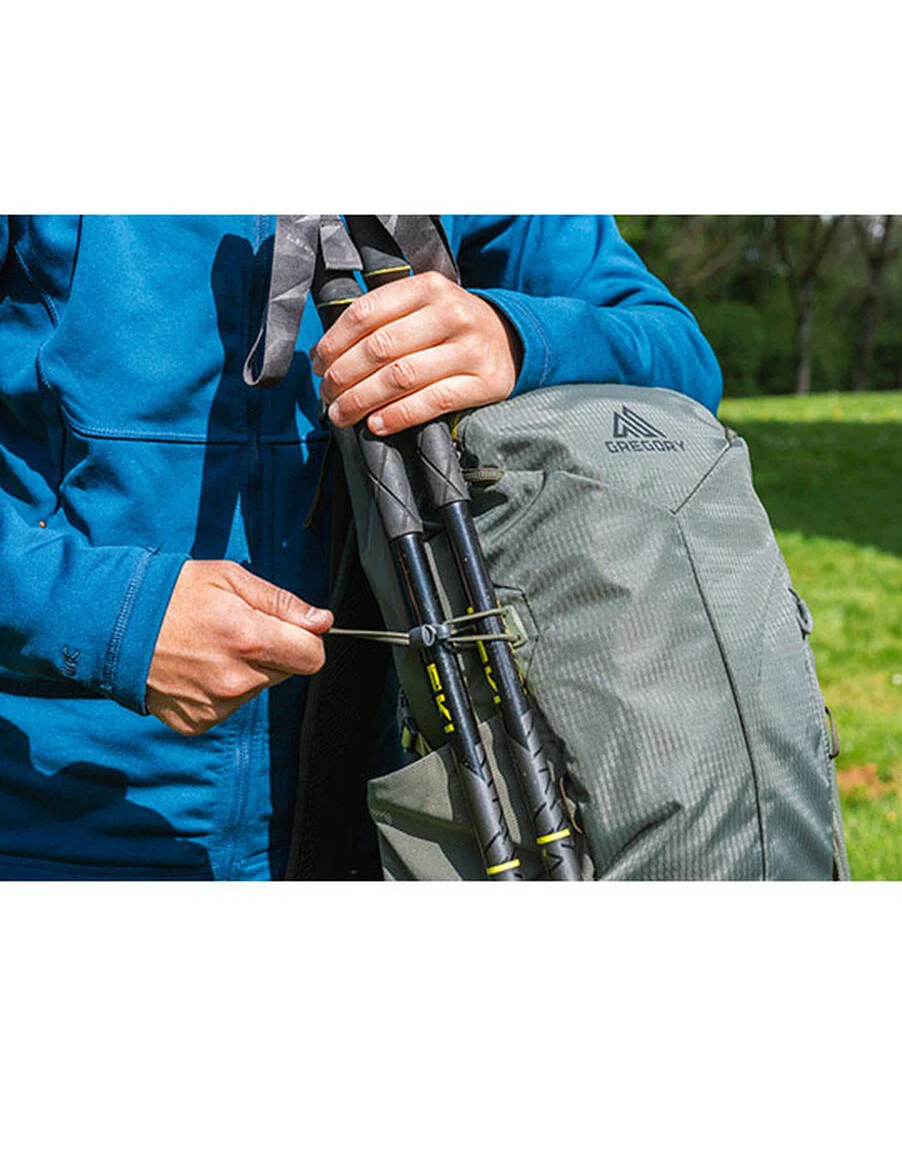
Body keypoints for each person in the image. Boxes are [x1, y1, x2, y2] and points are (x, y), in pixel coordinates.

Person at [0, 215, 722, 880]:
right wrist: (108, 616)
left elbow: (681, 358)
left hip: (395, 823)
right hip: (53, 823)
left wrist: (515, 337)